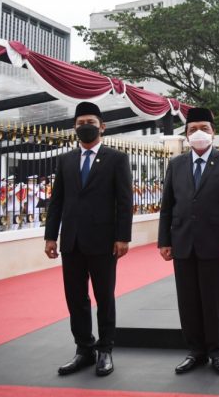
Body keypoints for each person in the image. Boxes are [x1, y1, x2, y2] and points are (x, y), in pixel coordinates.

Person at [44, 102, 133, 377]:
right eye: (81, 122)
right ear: (74, 127)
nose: (85, 126)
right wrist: (50, 236)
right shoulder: (66, 160)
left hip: (104, 241)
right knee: (75, 298)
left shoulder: (117, 159)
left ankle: (105, 349)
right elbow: (57, 200)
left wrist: (122, 237)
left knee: (104, 297)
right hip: (71, 241)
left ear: (102, 126)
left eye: (91, 122)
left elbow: (124, 201)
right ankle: (84, 349)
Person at [158, 107, 219, 375]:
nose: (198, 133)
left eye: (204, 129)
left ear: (213, 133)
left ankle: (217, 350)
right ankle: (195, 350)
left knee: (214, 300)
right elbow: (168, 205)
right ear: (185, 135)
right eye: (192, 129)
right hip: (183, 241)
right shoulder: (176, 164)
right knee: (188, 299)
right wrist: (164, 240)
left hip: (216, 243)